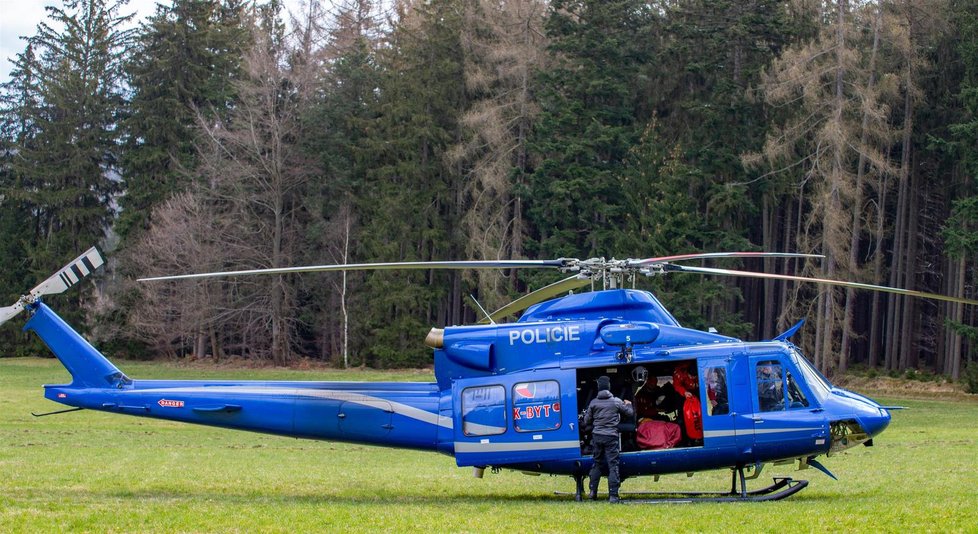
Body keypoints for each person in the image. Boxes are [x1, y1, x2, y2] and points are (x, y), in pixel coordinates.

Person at [582, 375, 634, 503]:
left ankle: (592, 493)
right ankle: (613, 496)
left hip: (597, 436)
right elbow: (629, 413)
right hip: (611, 436)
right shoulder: (616, 401)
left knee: (597, 464)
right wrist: (629, 404)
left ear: (599, 388)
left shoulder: (593, 403)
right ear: (609, 388)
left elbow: (586, 421)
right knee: (613, 465)